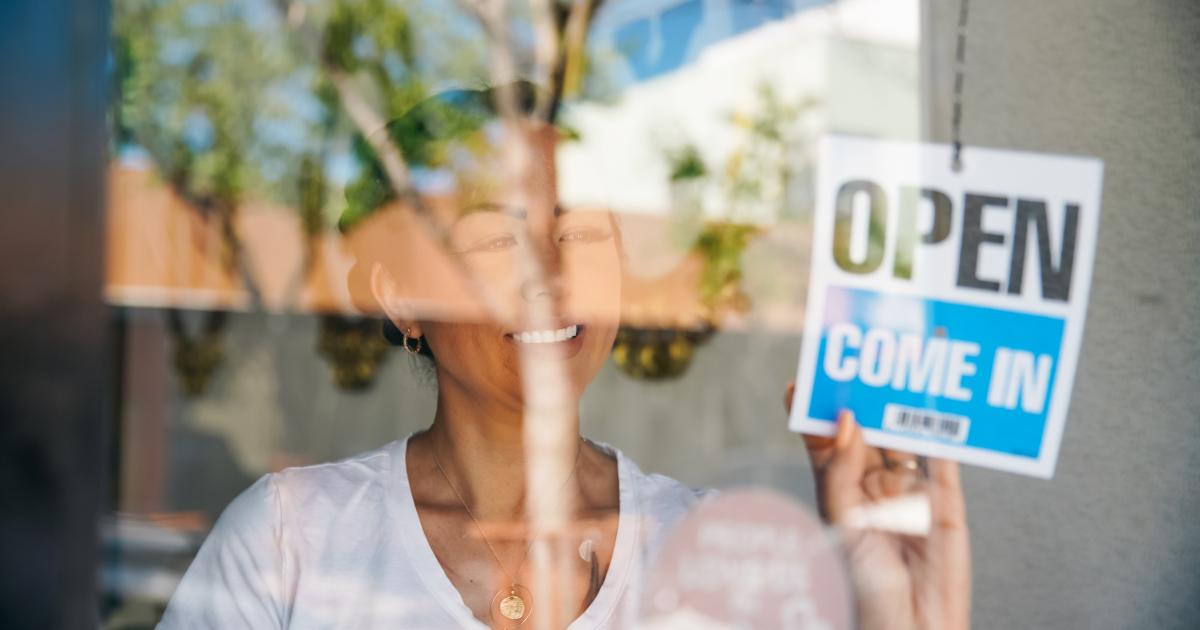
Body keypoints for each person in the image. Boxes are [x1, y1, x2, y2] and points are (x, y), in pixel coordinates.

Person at [157, 87, 970, 630]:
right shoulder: (289, 544)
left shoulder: (719, 559)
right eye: (498, 238)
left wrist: (902, 616)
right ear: (401, 298)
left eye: (579, 233)